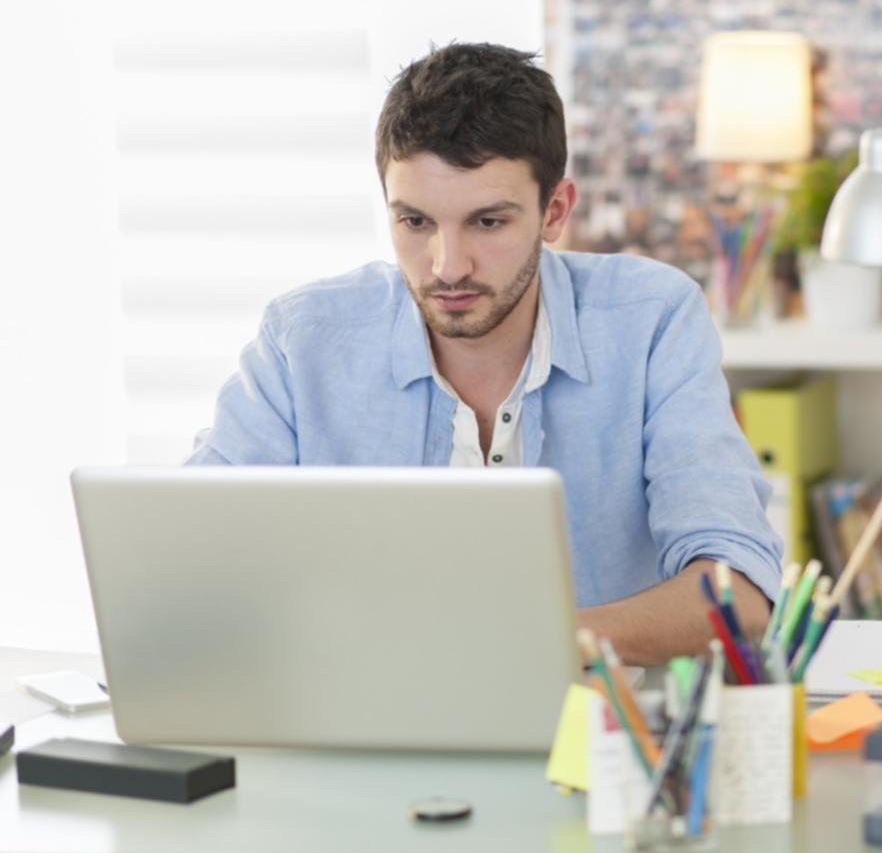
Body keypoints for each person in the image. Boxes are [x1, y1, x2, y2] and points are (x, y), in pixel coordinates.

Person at [189, 41, 782, 670]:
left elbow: (737, 592)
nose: (448, 267)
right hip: (360, 716)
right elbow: (197, 556)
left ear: (554, 211)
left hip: (594, 737)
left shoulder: (651, 320)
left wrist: (538, 642)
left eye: (487, 223)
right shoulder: (303, 338)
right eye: (415, 223)